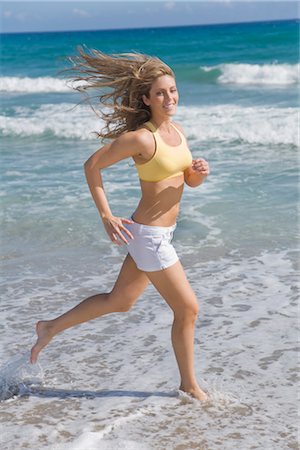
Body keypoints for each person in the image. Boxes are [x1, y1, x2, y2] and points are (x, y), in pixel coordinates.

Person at [30, 48, 210, 402]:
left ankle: (49, 327)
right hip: (150, 237)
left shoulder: (177, 131)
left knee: (120, 300)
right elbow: (91, 166)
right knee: (188, 308)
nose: (169, 97)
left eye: (172, 90)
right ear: (146, 98)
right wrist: (106, 215)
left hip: (158, 233)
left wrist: (198, 173)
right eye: (160, 92)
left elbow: (184, 181)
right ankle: (189, 386)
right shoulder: (142, 138)